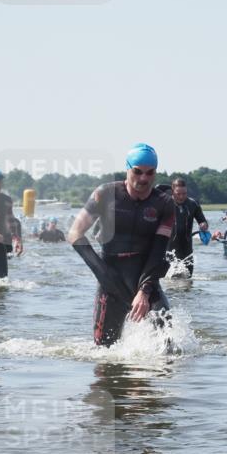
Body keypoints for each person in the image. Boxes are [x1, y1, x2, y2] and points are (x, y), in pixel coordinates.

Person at [66, 144, 175, 346]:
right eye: (137, 172)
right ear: (127, 168)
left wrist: (144, 291)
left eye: (150, 173)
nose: (144, 178)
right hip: (111, 277)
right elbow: (74, 233)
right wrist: (104, 274)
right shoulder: (105, 194)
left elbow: (158, 250)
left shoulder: (164, 203)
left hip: (145, 277)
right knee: (104, 349)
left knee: (167, 342)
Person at [168, 177, 208, 277]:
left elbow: (202, 221)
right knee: (169, 279)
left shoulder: (193, 204)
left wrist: (203, 225)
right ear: (172, 191)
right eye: (178, 194)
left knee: (188, 279)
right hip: (169, 249)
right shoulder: (165, 203)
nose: (181, 197)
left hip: (187, 249)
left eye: (184, 193)